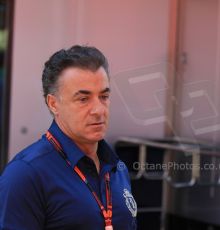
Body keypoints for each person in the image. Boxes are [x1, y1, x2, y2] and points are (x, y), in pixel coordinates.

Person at [0, 45, 137, 230]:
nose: (99, 110)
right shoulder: (25, 174)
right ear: (53, 103)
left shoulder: (116, 167)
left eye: (104, 96)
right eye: (83, 99)